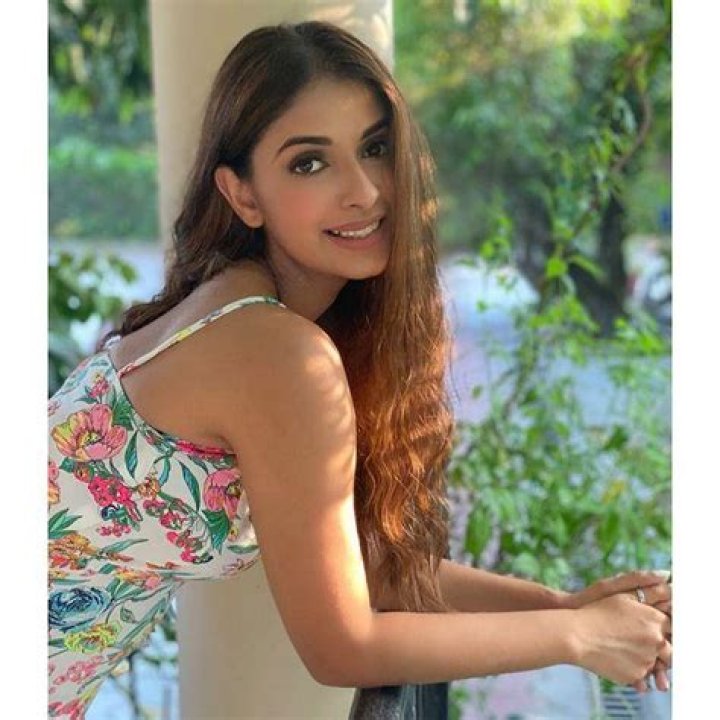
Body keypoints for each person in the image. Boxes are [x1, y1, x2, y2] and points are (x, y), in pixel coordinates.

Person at [47, 20, 672, 718]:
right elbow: (343, 646)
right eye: (309, 163)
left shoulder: (233, 308)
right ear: (242, 194)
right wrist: (579, 638)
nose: (365, 191)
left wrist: (564, 607)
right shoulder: (274, 352)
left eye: (375, 148)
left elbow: (368, 567)